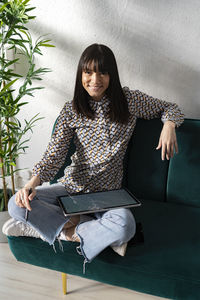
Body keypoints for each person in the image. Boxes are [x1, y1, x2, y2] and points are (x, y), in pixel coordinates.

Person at [4, 43, 184, 270]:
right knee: (16, 205)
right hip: (72, 189)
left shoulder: (129, 101)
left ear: (112, 75)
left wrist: (169, 124)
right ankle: (86, 229)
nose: (95, 79)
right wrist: (31, 184)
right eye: (88, 72)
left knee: (125, 226)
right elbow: (54, 155)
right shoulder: (71, 110)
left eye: (103, 72)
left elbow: (171, 108)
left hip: (109, 196)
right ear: (81, 74)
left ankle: (60, 231)